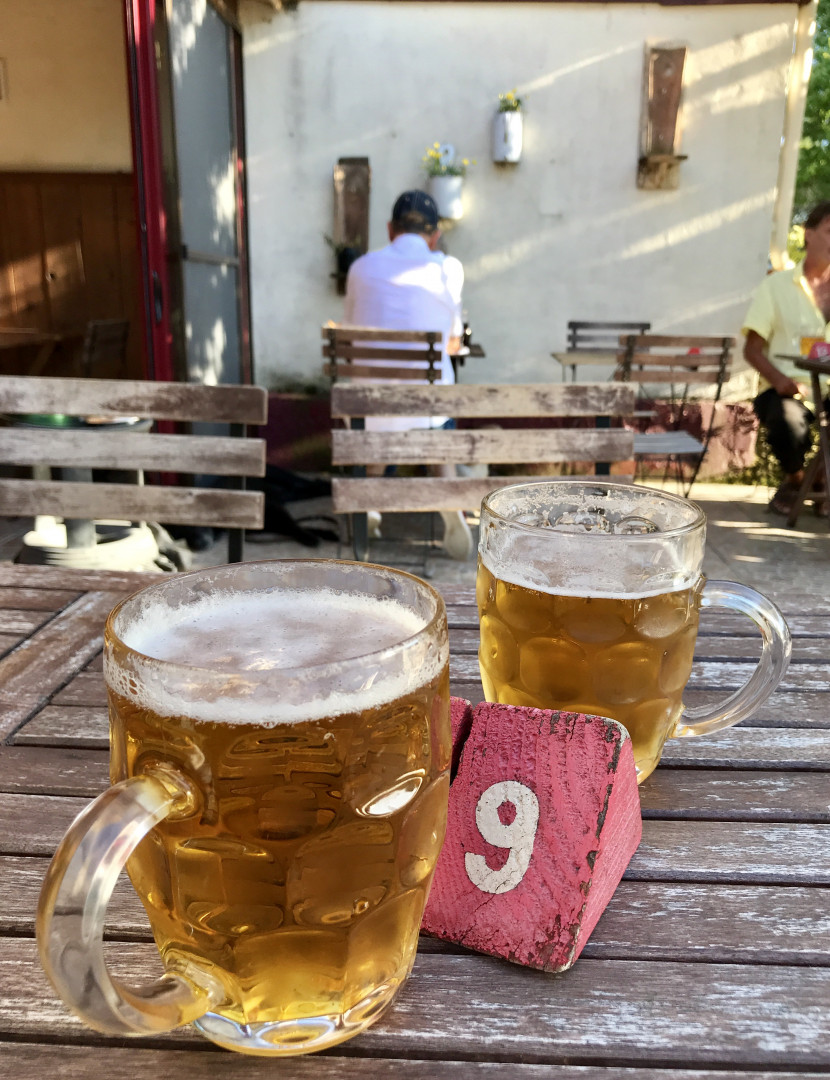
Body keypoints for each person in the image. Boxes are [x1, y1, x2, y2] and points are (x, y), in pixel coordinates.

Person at [342, 189, 473, 560]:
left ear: (390, 229)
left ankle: (369, 500)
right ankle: (448, 495)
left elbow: (349, 336)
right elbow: (453, 341)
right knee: (433, 408)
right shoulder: (448, 268)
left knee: (381, 415)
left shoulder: (360, 268)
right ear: (434, 236)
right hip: (425, 412)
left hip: (371, 410)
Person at [743, 201, 830, 516]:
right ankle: (801, 480)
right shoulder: (776, 286)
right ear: (808, 234)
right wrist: (780, 380)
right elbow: (751, 349)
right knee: (787, 422)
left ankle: (820, 481)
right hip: (788, 389)